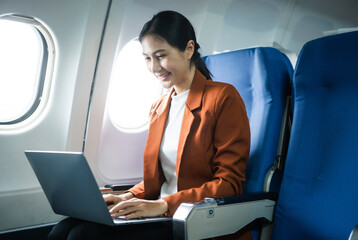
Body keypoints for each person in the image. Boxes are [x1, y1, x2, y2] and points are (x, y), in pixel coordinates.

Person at [48, 10, 251, 240]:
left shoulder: (223, 97)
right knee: (64, 229)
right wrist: (128, 196)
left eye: (161, 55)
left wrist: (163, 204)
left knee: (83, 235)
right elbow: (160, 179)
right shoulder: (159, 107)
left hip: (192, 220)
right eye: (147, 58)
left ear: (189, 49)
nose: (154, 68)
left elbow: (229, 184)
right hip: (160, 212)